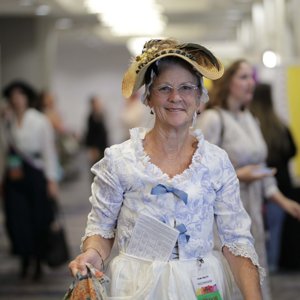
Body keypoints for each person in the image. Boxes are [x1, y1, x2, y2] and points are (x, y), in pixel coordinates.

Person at [68, 39, 264, 300]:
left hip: (201, 285)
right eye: (164, 88)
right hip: (136, 288)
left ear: (199, 97)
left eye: (186, 88)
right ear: (148, 97)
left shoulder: (216, 162)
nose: (176, 98)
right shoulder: (120, 160)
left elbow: (237, 240)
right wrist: (92, 254)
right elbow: (101, 229)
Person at [196, 60, 300, 300]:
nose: (250, 82)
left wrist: (285, 202)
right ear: (228, 82)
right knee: (231, 273)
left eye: (251, 76)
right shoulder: (213, 119)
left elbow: (262, 171)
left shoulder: (251, 119)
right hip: (224, 215)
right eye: (243, 77)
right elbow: (200, 171)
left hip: (253, 213)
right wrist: (240, 175)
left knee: (255, 272)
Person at [1, 80, 59, 280]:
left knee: (37, 218)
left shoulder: (39, 120)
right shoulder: (7, 121)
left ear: (27, 98)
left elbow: (49, 151)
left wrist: (52, 180)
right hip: (14, 175)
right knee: (17, 219)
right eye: (13, 97)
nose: (17, 100)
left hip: (35, 173)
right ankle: (24, 258)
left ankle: (37, 260)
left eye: (20, 96)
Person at [250, 82, 300, 272]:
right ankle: (271, 265)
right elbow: (293, 150)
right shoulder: (279, 125)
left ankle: (259, 266)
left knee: (255, 230)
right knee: (276, 229)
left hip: (254, 184)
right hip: (280, 184)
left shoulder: (252, 125)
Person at [85, 96, 108, 168]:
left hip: (103, 146)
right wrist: (93, 148)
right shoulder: (91, 117)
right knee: (96, 166)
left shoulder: (100, 115)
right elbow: (90, 134)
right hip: (96, 147)